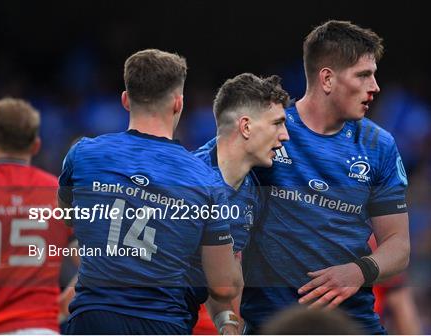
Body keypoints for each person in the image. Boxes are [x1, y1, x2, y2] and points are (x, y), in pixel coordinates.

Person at [240, 20, 410, 334]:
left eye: (373, 74)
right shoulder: (267, 129)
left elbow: (398, 245)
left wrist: (360, 271)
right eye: (363, 75)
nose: (375, 87)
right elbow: (207, 180)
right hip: (274, 324)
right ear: (327, 79)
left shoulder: (379, 145)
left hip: (351, 323)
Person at [58, 49, 242, 334]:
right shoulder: (205, 179)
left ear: (125, 100)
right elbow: (222, 286)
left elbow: (70, 220)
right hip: (162, 323)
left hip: (92, 320)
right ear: (179, 103)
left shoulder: (82, 154)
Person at [190, 73, 290, 334]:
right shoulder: (187, 182)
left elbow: (216, 274)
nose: (285, 136)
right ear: (246, 127)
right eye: (277, 124)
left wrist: (228, 324)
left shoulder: (253, 191)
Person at [0, 98, 75, 334]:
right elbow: (95, 264)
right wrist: (64, 305)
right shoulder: (57, 193)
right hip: (40, 327)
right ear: (36, 146)